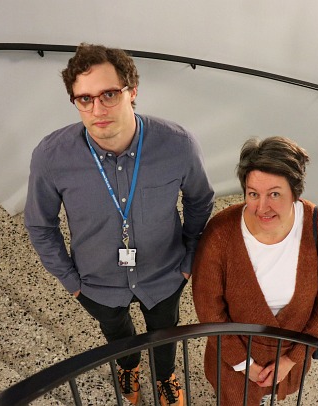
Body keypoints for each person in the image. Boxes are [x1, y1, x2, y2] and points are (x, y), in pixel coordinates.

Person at [24, 43, 214, 406]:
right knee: (117, 333)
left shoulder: (178, 145)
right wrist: (71, 281)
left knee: (164, 332)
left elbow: (200, 200)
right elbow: (40, 225)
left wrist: (189, 261)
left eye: (109, 94)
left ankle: (165, 376)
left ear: (133, 91)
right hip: (96, 282)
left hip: (164, 273)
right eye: (84, 99)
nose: (97, 109)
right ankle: (128, 365)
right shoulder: (51, 156)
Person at [192, 136, 318, 405]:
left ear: (295, 192)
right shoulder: (220, 233)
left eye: (274, 194)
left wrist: (291, 359)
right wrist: (244, 364)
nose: (262, 207)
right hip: (233, 359)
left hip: (290, 354)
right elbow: (209, 310)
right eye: (253, 194)